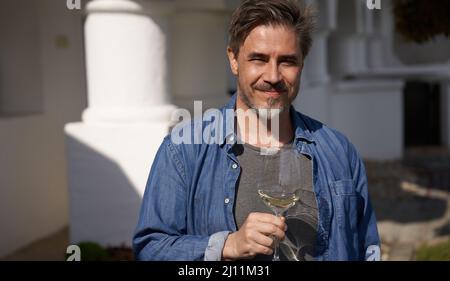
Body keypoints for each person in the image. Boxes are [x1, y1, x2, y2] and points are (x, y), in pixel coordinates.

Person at [133, 0, 380, 261]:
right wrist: (227, 246)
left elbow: (367, 247)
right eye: (259, 59)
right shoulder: (184, 150)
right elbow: (151, 249)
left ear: (302, 65)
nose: (273, 76)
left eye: (287, 61)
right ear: (234, 59)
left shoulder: (339, 151)